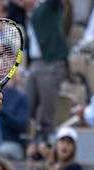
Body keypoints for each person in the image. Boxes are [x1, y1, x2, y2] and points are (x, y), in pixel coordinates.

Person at [17, 0, 68, 140]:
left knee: (47, 108)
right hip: (35, 63)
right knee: (27, 105)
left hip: (50, 62)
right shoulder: (28, 13)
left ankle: (47, 142)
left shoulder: (49, 6)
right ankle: (27, 141)